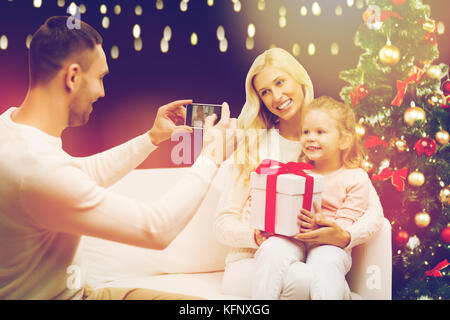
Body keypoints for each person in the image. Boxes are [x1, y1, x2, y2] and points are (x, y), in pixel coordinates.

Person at [0, 16, 237, 300]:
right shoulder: (36, 171)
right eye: (100, 78)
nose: (102, 91)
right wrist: (212, 157)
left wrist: (150, 138)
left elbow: (78, 173)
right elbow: (155, 229)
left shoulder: (12, 128)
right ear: (73, 77)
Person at [214, 48, 384, 299]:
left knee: (314, 273)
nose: (276, 96)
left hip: (310, 256)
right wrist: (257, 237)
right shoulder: (254, 146)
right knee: (305, 279)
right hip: (251, 260)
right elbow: (222, 222)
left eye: (280, 82)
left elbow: (373, 212)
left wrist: (345, 236)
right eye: (265, 92)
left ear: (300, 80)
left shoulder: (328, 141)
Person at [252, 96, 371, 299]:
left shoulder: (355, 177)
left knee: (326, 261)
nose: (310, 137)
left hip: (329, 244)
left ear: (344, 140)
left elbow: (344, 226)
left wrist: (325, 226)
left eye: (320, 132)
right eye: (305, 132)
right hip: (294, 238)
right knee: (271, 250)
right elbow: (278, 207)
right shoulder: (297, 172)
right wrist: (267, 227)